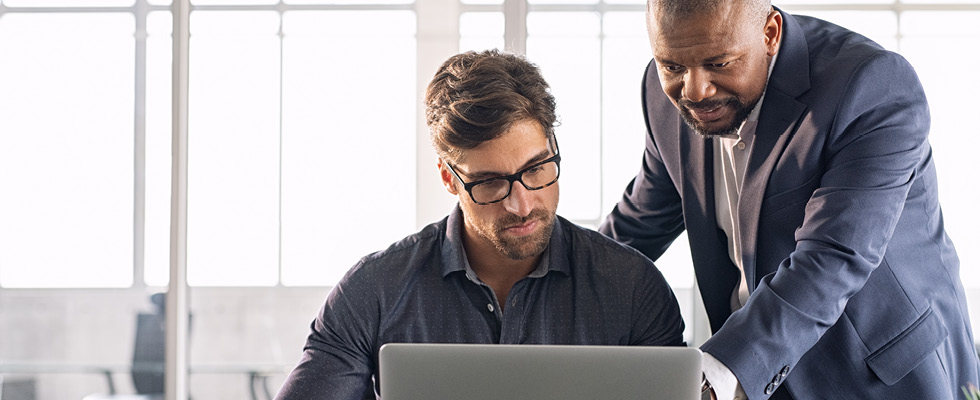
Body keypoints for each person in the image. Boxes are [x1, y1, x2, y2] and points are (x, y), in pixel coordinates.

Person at [599, 1, 980, 399]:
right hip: (759, 375)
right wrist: (545, 275)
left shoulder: (872, 85)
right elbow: (638, 223)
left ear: (770, 33)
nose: (695, 90)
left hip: (880, 377)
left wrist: (721, 372)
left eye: (719, 63)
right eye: (672, 67)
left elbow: (832, 257)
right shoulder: (661, 95)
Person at [274, 49, 686, 400]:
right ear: (449, 178)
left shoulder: (636, 290)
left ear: (553, 148)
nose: (521, 204)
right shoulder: (374, 291)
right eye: (489, 182)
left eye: (537, 168)